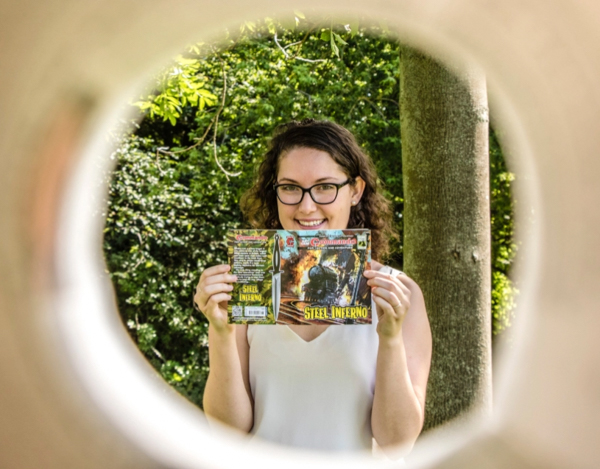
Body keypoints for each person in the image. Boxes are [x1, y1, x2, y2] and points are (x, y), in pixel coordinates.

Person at [194, 119, 431, 457]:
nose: (306, 206)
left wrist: (389, 337)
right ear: (273, 191)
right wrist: (219, 331)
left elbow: (397, 443)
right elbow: (228, 429)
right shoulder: (250, 286)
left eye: (324, 187)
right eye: (290, 187)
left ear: (355, 191)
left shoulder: (398, 294)